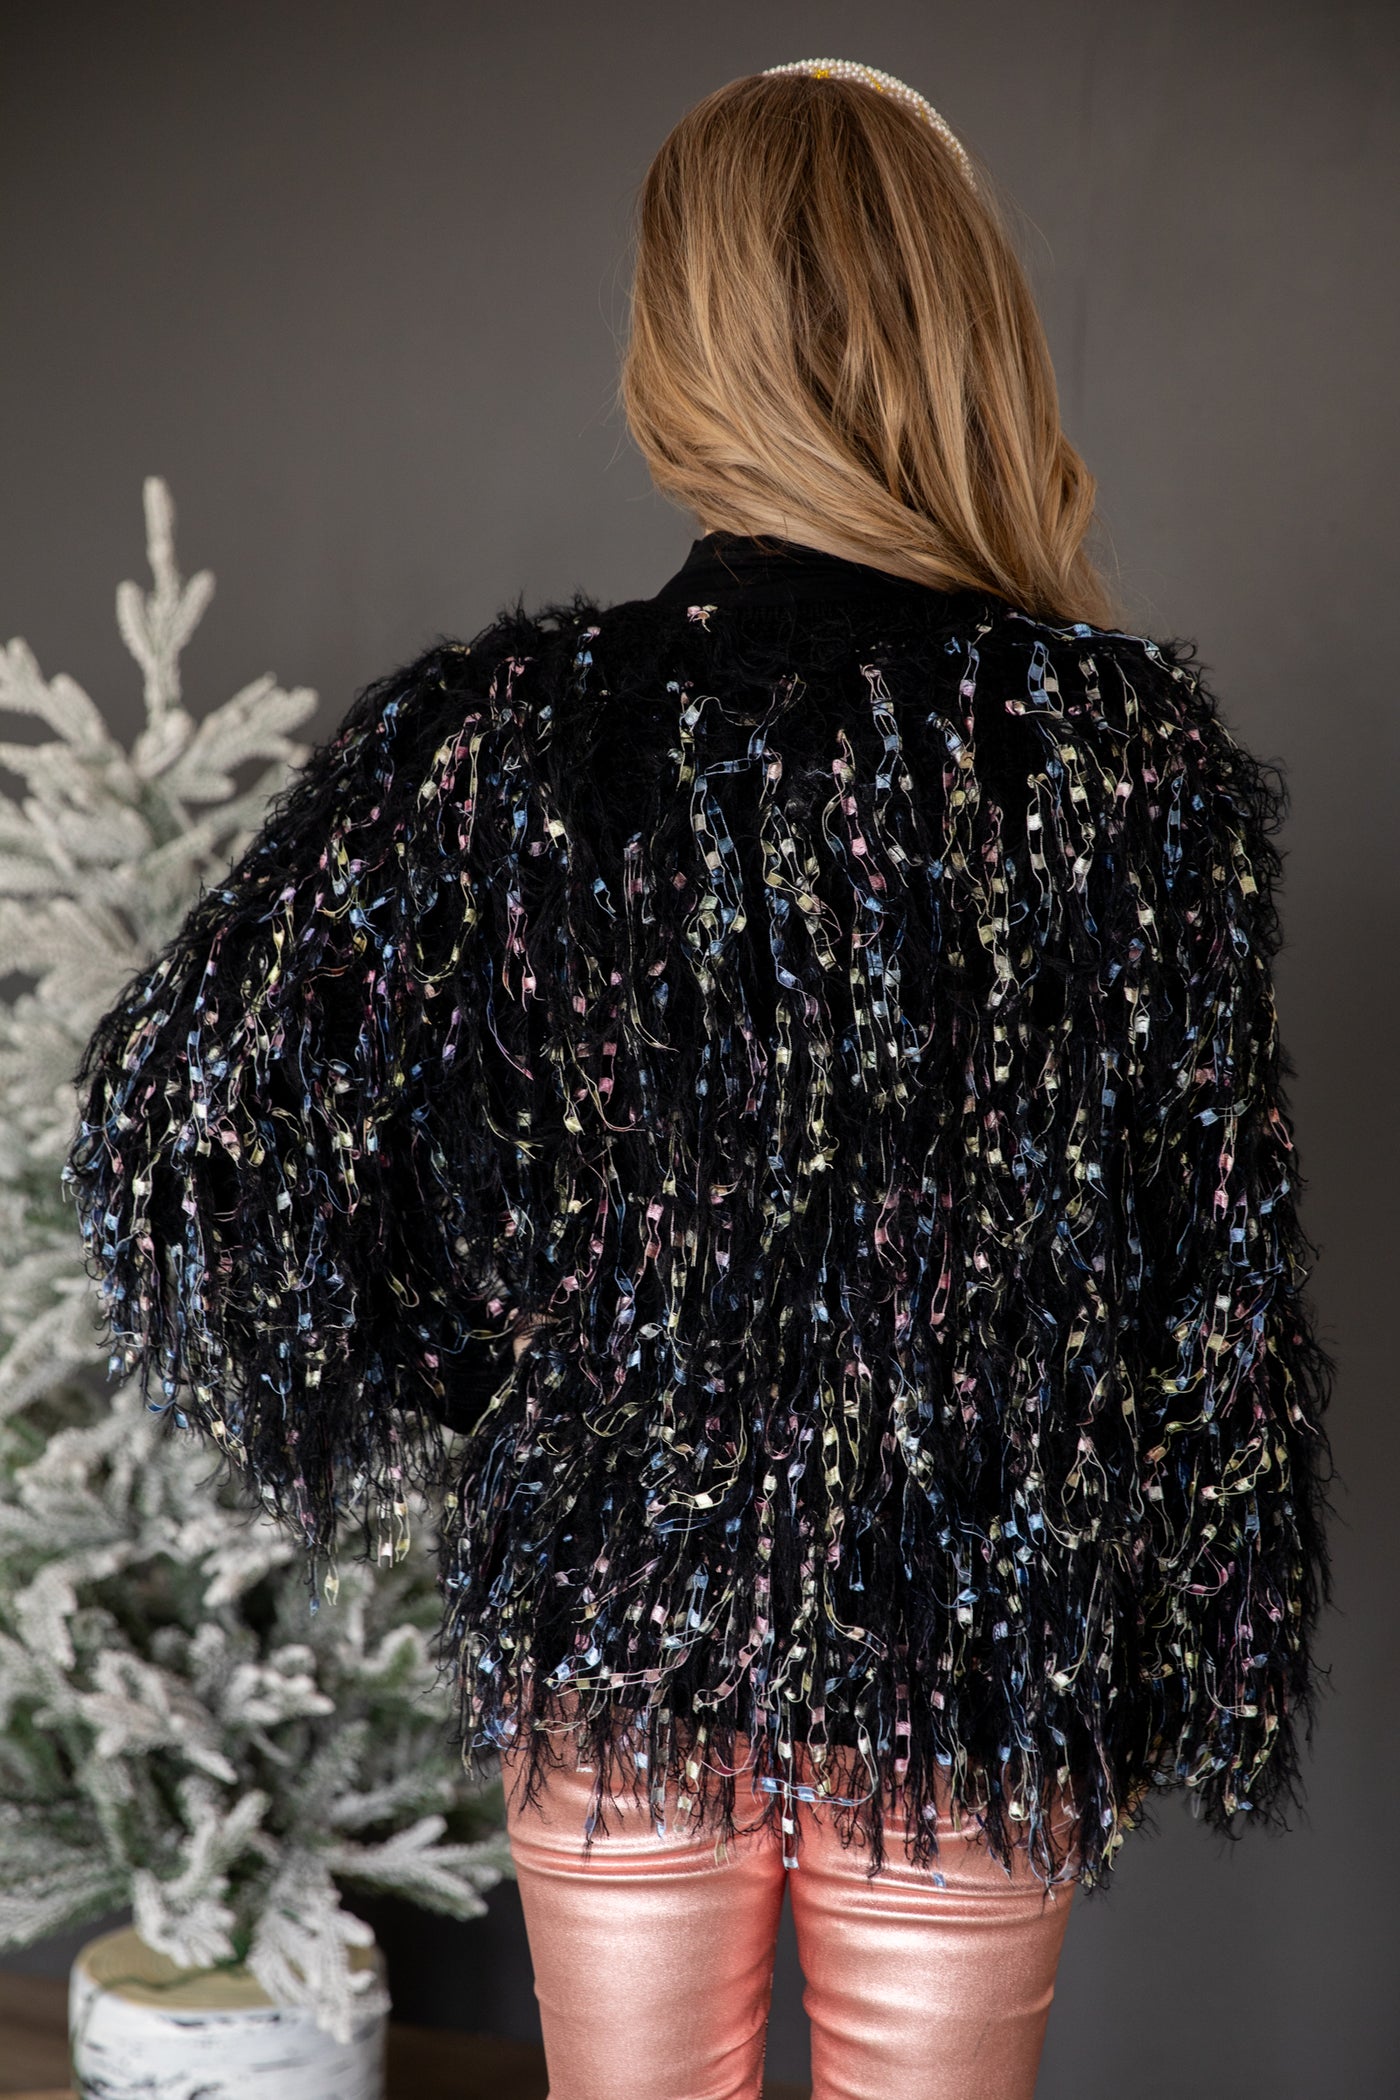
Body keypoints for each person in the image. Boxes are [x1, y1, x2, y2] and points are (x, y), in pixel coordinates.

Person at [64, 58, 1338, 2100]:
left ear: (680, 344)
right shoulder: (1117, 763)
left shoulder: (516, 733)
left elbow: (186, 1115)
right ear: (964, 329)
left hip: (618, 1622)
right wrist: (1174, 1622)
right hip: (964, 1647)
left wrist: (516, 1348)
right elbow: (1207, 1270)